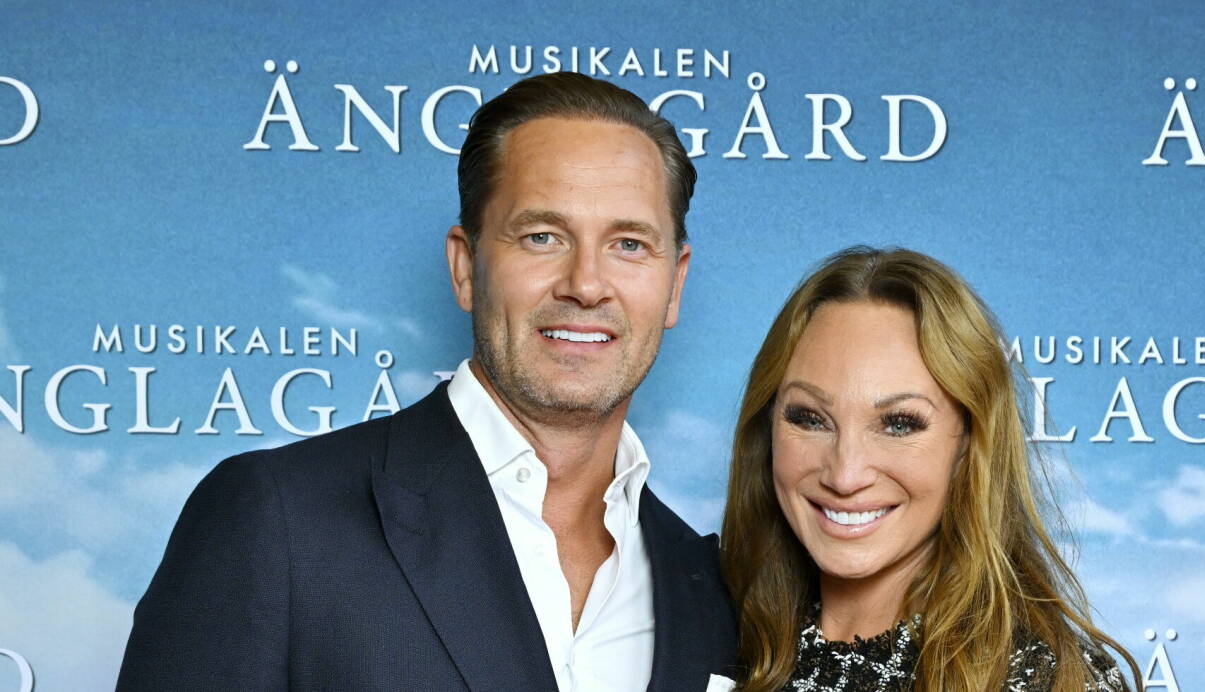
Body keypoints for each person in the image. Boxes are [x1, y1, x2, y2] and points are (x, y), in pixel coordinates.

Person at [117, 72, 737, 691]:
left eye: (629, 244)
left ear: (674, 284)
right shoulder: (277, 518)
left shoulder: (713, 589)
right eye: (542, 237)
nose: (586, 284)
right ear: (466, 267)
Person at [718, 247, 1140, 691]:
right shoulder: (710, 633)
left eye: (899, 424)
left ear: (970, 442)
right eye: (809, 419)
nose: (845, 475)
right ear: (767, 425)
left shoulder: (1050, 678)